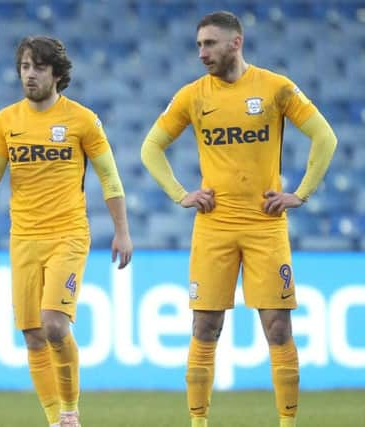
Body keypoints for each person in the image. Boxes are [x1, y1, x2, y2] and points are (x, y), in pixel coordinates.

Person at [140, 11, 337, 427]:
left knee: (278, 329)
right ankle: (199, 423)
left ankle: (287, 423)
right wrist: (181, 193)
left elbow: (325, 136)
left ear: (236, 42)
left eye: (210, 43)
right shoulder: (193, 96)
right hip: (214, 226)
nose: (202, 53)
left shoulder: (275, 89)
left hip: (266, 225)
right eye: (198, 45)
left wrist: (300, 193)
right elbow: (150, 148)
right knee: (204, 326)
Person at [0, 35, 133, 427]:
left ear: (57, 74)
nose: (30, 74)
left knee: (55, 325)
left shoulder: (82, 119)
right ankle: (54, 420)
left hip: (68, 233)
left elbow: (109, 178)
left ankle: (71, 412)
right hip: (23, 238)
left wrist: (122, 231)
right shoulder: (6, 120)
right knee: (32, 335)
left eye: (38, 67)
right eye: (25, 67)